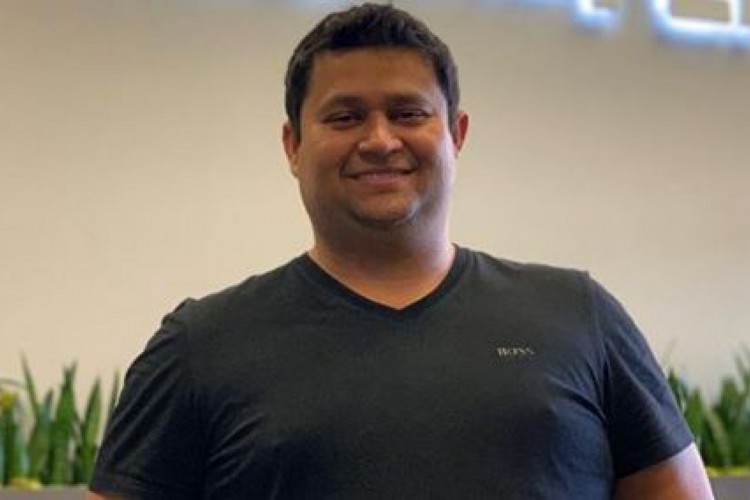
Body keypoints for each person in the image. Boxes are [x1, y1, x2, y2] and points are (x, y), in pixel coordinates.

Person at [87, 3, 713, 499]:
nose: (380, 140)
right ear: (293, 145)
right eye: (344, 117)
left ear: (456, 134)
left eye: (409, 113)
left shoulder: (579, 315)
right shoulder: (201, 345)